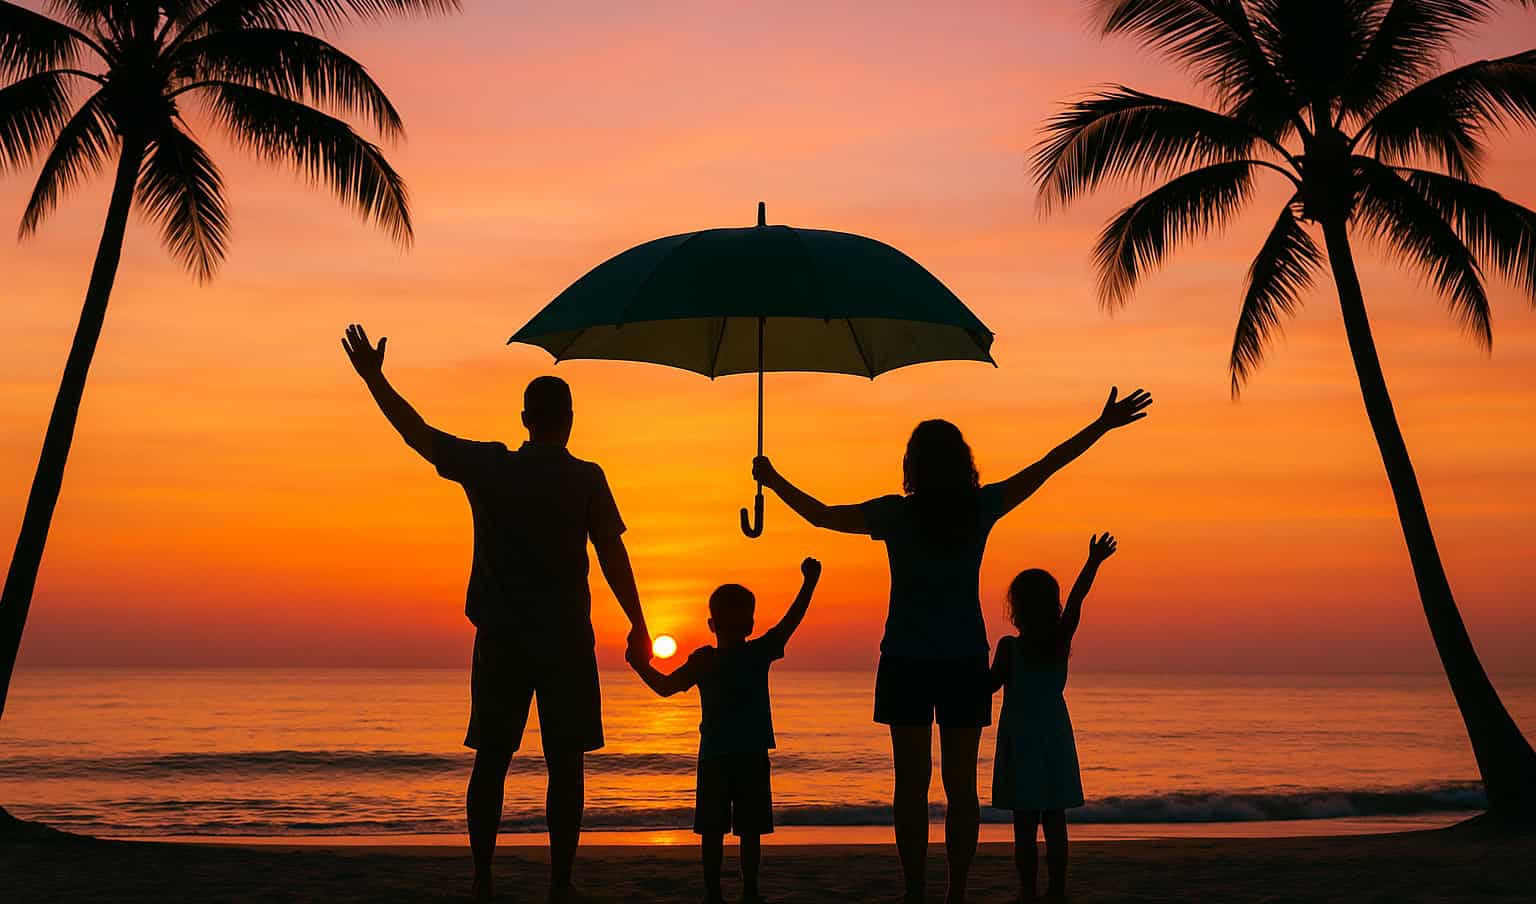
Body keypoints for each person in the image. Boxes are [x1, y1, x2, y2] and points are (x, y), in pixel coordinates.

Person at [751, 387, 1152, 904]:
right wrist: (1100, 426)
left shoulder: (898, 514)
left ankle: (917, 889)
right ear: (964, 463)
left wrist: (773, 478)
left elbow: (822, 516)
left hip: (906, 662)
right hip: (962, 659)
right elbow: (1047, 465)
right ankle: (955, 891)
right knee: (959, 788)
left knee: (911, 785)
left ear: (912, 465)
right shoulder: (978, 507)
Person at [341, 324, 651, 903]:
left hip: (504, 638)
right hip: (562, 641)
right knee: (565, 763)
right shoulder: (586, 478)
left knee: (492, 759)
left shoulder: (491, 467)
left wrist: (374, 380)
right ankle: (559, 882)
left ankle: (483, 878)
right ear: (569, 419)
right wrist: (636, 621)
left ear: (525, 418)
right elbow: (613, 553)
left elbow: (419, 435)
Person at [626, 557, 823, 904]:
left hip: (721, 756)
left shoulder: (713, 659)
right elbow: (791, 621)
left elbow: (664, 687)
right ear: (749, 623)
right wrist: (809, 583)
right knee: (746, 830)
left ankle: (718, 891)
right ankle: (745, 890)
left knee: (717, 830)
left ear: (711, 623)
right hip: (742, 754)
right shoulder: (747, 653)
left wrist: (640, 665)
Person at [991, 532, 1117, 902]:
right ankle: (1057, 890)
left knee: (1025, 825)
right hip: (1055, 735)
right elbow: (1078, 599)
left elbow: (988, 686)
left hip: (1021, 738)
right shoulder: (1060, 640)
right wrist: (1093, 561)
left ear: (1017, 607)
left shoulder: (1010, 648)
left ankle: (1028, 891)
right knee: (1055, 821)